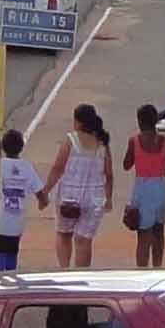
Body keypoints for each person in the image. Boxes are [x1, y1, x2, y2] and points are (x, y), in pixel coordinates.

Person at [45, 105, 114, 267]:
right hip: (94, 199)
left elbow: (57, 168)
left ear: (78, 122)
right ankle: (81, 276)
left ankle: (64, 271)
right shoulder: (102, 144)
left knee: (64, 234)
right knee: (84, 240)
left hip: (69, 196)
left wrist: (45, 191)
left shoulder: (71, 140)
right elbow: (109, 175)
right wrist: (108, 198)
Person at [123, 104, 165, 265]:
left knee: (143, 235)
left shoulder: (135, 141)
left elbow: (126, 165)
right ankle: (157, 268)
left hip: (143, 189)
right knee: (159, 231)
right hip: (162, 190)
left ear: (139, 122)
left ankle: (142, 273)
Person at [0, 128, 40, 272]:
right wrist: (43, 200)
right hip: (17, 221)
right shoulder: (26, 167)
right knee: (12, 250)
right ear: (21, 147)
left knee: (0, 250)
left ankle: (0, 276)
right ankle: (10, 274)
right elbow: (39, 190)